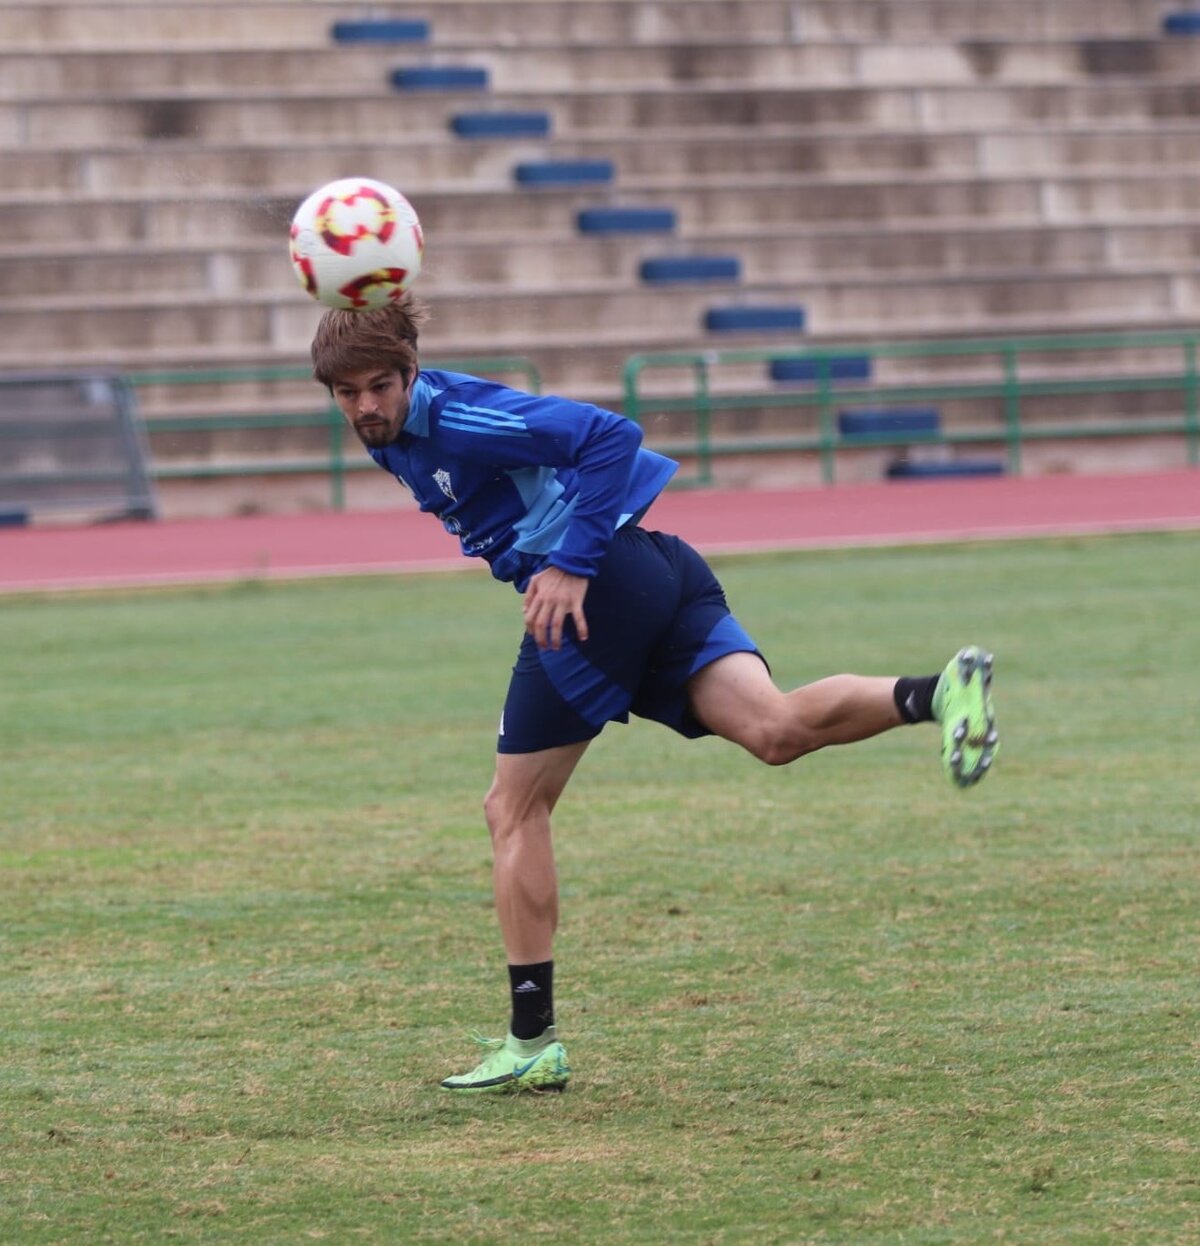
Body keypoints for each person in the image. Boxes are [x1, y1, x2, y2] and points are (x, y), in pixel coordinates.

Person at [310, 294, 999, 1095]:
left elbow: (611, 437)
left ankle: (532, 1041)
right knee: (773, 729)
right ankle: (940, 692)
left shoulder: (459, 417)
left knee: (513, 808)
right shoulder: (391, 431)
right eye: (348, 393)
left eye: (380, 388)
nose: (365, 406)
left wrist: (567, 562)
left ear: (410, 375)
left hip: (593, 596)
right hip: (655, 569)